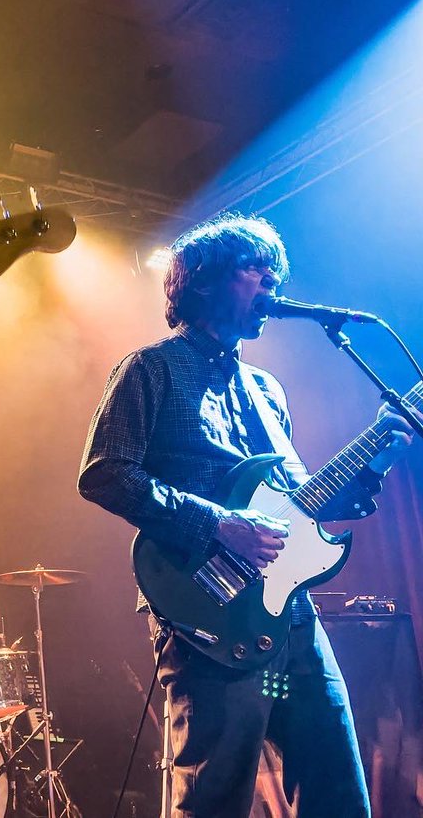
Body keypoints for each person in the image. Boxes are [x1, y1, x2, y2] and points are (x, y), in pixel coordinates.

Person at [78, 213, 417, 817]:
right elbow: (104, 473)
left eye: (275, 272)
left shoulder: (268, 390)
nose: (272, 284)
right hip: (205, 614)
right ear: (203, 280)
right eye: (254, 270)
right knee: (215, 800)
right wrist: (218, 523)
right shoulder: (150, 369)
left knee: (341, 795)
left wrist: (374, 463)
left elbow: (300, 509)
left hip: (292, 618)